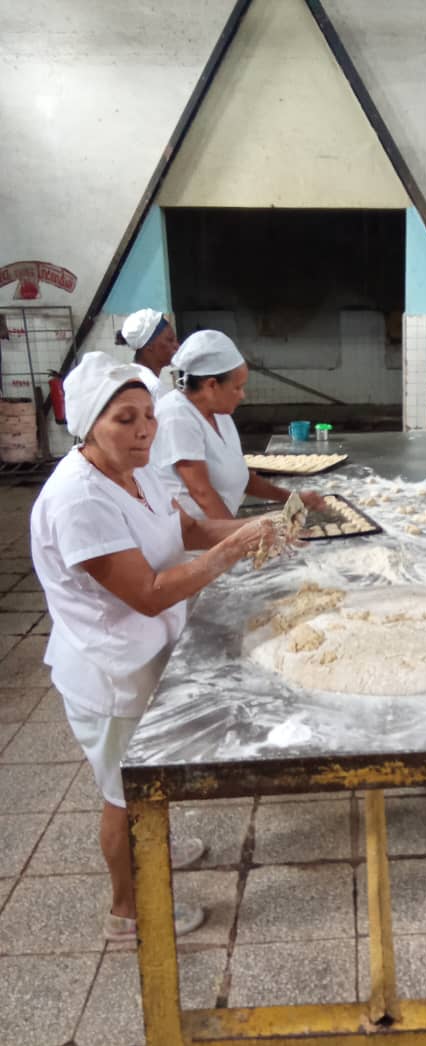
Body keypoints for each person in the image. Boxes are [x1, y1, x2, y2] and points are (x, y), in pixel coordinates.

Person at [30, 352, 282, 942]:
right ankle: (128, 909)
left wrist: (252, 528)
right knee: (122, 791)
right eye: (124, 418)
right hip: (111, 670)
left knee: (150, 774)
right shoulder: (79, 500)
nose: (144, 429)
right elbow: (144, 593)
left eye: (147, 414)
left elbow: (186, 530)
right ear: (91, 423)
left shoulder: (135, 469)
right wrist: (232, 552)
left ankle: (155, 839)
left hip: (148, 654)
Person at [151, 329, 325, 518]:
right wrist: (239, 539)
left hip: (221, 530)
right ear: (212, 385)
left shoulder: (220, 413)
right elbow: (201, 492)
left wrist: (293, 497)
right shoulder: (176, 416)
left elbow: (241, 476)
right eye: (237, 387)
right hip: (194, 541)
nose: (243, 395)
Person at [118, 307, 179, 399]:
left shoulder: (130, 376)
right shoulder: (153, 388)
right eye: (170, 340)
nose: (177, 346)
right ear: (149, 345)